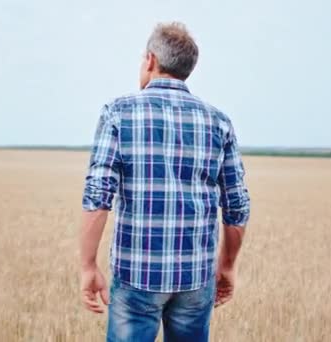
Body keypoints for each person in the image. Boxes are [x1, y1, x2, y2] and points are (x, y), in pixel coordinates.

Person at [79, 22, 251, 342]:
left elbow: (97, 195)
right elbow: (237, 204)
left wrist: (88, 266)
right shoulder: (219, 121)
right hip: (196, 277)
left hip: (136, 275)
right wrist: (227, 266)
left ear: (150, 60)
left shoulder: (118, 112)